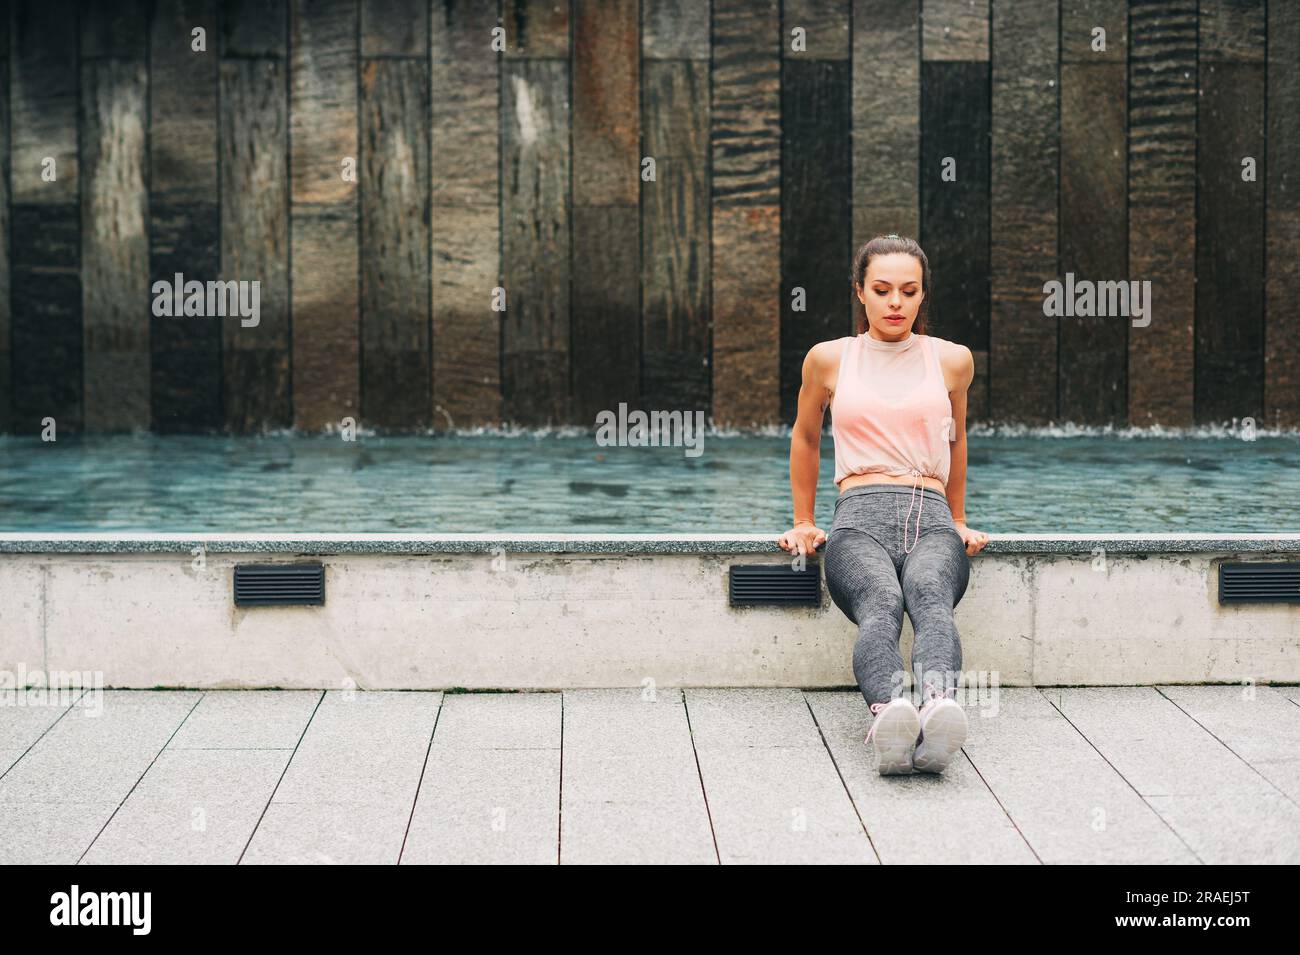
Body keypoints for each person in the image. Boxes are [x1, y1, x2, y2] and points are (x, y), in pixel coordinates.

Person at [777, 234, 990, 776]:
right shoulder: (828, 359)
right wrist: (804, 520)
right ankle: (889, 715)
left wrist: (959, 519)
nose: (896, 302)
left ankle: (939, 708)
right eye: (882, 289)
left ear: (922, 296)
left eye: (909, 290)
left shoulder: (952, 360)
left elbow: (955, 441)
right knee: (881, 600)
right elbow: (805, 437)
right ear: (861, 293)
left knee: (927, 593)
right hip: (858, 520)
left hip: (932, 520)